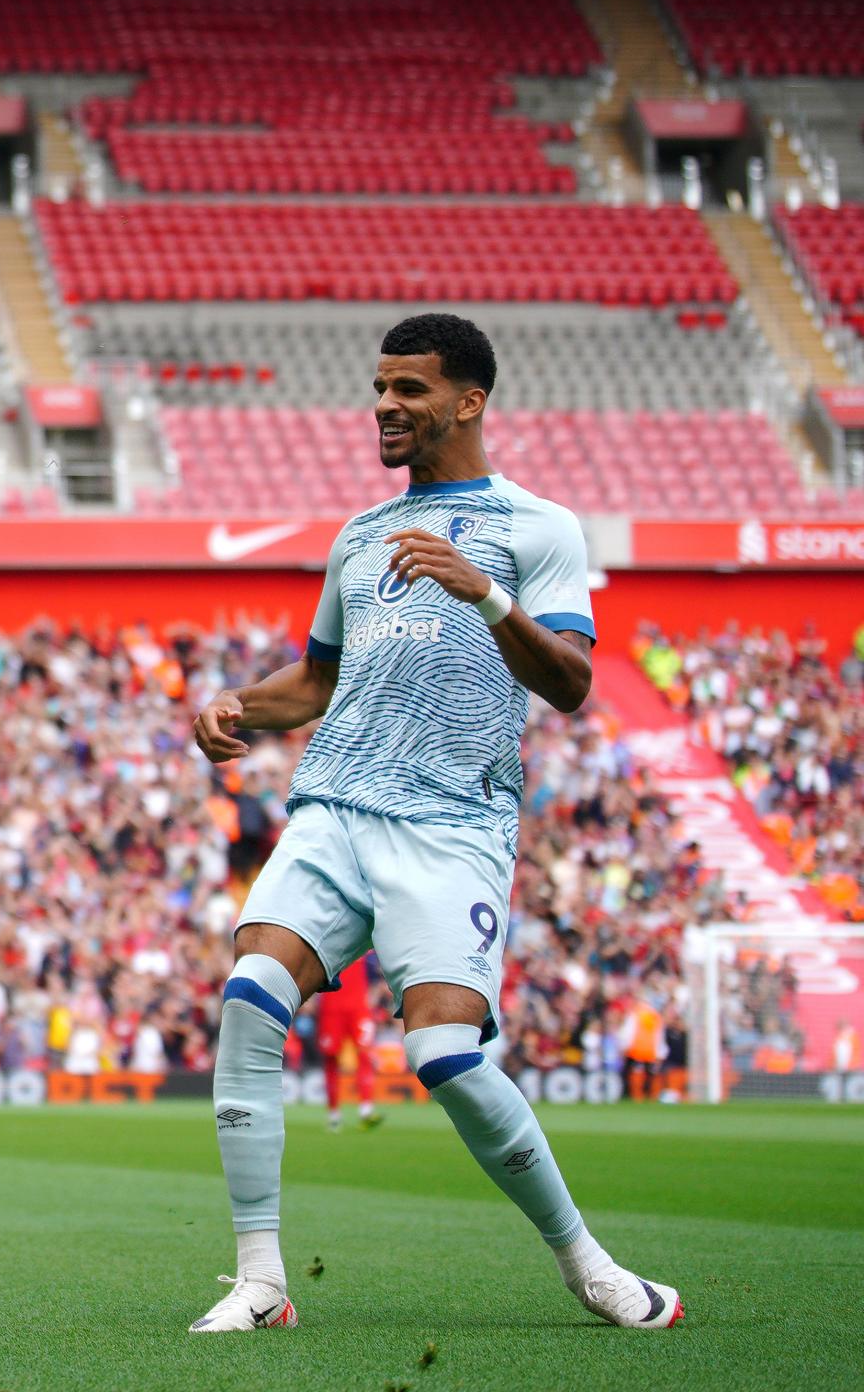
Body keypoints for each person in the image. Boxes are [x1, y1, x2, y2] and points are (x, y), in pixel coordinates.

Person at [188, 314, 682, 1332]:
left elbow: (574, 684)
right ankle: (260, 1280)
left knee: (445, 1057)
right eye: (380, 387)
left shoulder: (538, 527)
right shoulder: (359, 536)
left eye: (409, 389)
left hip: (453, 822)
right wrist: (237, 706)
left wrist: (489, 594)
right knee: (248, 996)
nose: (385, 406)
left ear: (468, 401)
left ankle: (587, 1265)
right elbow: (318, 680)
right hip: (335, 808)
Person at [311, 954, 379, 1132]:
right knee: (331, 1059)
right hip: (332, 1008)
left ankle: (366, 1110)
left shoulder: (365, 941)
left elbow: (378, 971)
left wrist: (373, 995)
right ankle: (333, 1114)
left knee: (365, 1054)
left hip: (358, 1007)